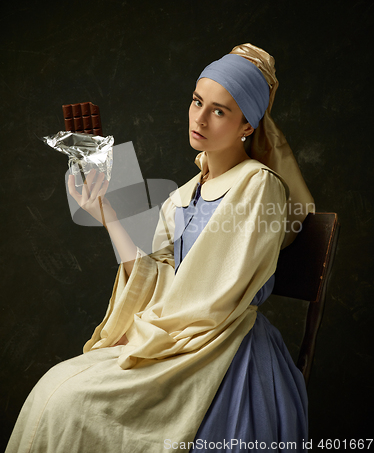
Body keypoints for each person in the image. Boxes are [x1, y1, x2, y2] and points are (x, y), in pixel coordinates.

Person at [6, 43, 313, 453]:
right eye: (197, 101)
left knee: (71, 402)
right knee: (53, 389)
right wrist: (106, 213)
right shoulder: (182, 196)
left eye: (219, 111)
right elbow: (157, 281)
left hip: (222, 349)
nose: (200, 118)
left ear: (247, 126)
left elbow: (211, 299)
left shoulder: (258, 186)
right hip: (175, 336)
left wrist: (146, 339)